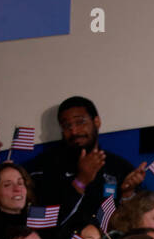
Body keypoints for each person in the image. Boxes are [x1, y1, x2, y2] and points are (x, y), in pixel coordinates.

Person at [26, 96, 146, 228]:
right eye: (66, 126)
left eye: (80, 122)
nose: (74, 131)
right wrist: (81, 181)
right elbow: (42, 221)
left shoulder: (120, 168)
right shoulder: (44, 167)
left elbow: (133, 225)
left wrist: (127, 194)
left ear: (97, 122)